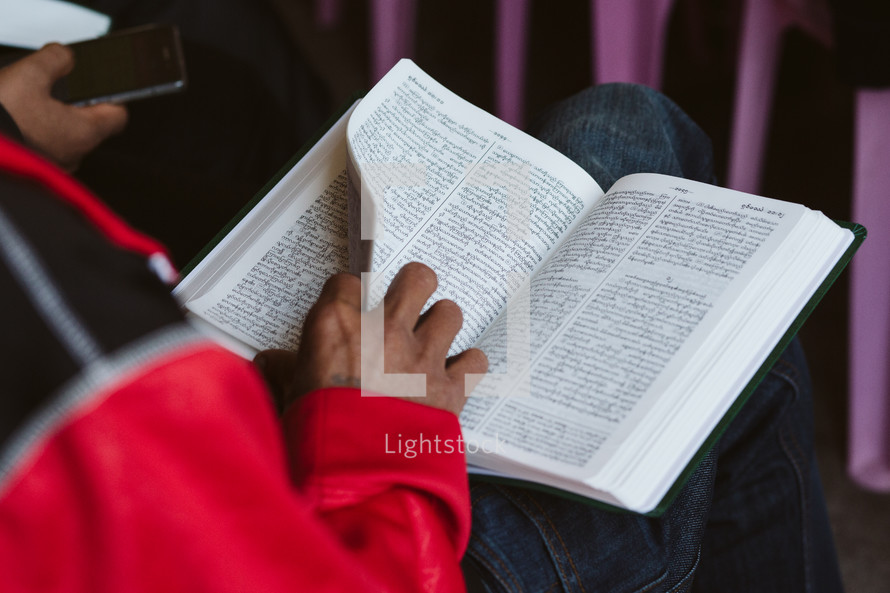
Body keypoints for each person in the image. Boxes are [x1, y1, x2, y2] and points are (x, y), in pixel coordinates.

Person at [0, 32, 845, 593]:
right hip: (372, 531)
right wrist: (375, 436)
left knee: (622, 124)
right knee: (732, 339)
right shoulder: (51, 327)